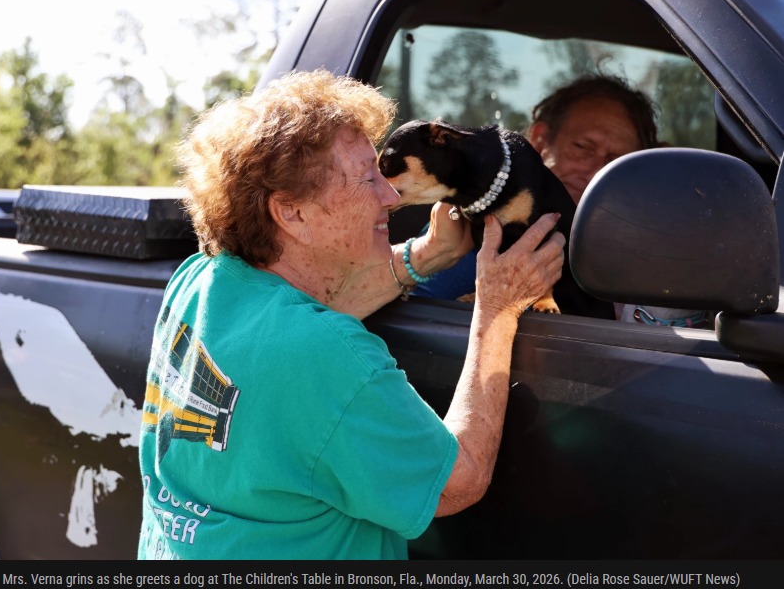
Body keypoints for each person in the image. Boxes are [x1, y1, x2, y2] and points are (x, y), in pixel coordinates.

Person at [137, 69, 566, 560]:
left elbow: (299, 316)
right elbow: (458, 481)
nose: (390, 195)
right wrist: (498, 308)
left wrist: (427, 255)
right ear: (292, 212)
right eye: (367, 178)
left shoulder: (201, 282)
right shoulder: (330, 356)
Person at [412, 74, 712, 329]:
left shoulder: (645, 254)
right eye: (582, 147)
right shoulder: (480, 221)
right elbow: (411, 319)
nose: (594, 171)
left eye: (615, 161)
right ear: (540, 141)